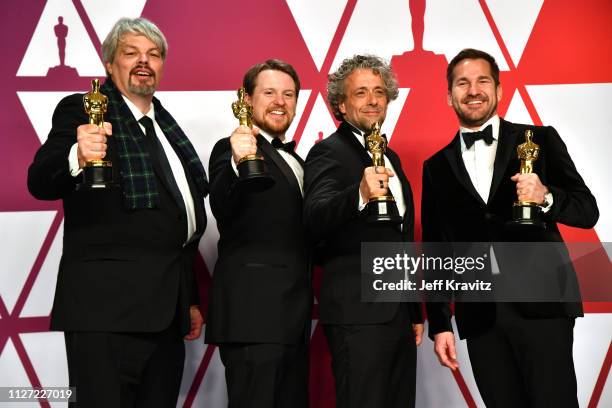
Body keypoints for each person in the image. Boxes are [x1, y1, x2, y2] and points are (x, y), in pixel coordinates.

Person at [27, 17, 208, 407]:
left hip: (165, 317)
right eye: (131, 53)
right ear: (110, 63)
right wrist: (77, 154)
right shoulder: (82, 110)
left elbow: (179, 223)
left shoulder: (167, 129)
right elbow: (40, 180)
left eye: (153, 54)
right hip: (105, 317)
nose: (143, 62)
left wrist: (188, 299)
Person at [422, 48, 599, 407]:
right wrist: (440, 323)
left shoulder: (540, 139)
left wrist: (546, 196)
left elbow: (587, 210)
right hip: (481, 315)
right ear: (449, 95)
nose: (473, 90)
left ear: (499, 91)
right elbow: (436, 248)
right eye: (463, 83)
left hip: (543, 307)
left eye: (482, 81)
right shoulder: (436, 166)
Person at [303, 54, 424, 408]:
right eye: (360, 93)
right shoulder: (328, 152)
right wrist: (358, 194)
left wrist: (412, 310)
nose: (372, 100)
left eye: (379, 92)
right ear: (340, 104)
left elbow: (399, 239)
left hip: (397, 313)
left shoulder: (392, 158)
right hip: (358, 315)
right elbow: (314, 217)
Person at [205, 59, 312, 408]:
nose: (280, 101)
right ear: (247, 100)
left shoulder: (300, 160)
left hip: (293, 319)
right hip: (253, 317)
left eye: (288, 93)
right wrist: (239, 162)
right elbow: (222, 204)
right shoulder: (230, 148)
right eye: (269, 92)